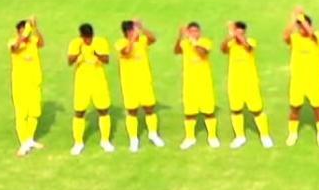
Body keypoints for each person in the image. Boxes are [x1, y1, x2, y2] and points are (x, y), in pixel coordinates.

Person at [222, 21, 273, 149]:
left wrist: (235, 34)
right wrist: (229, 36)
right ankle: (239, 137)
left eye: (240, 31)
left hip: (250, 82)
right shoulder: (231, 43)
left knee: (256, 110)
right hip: (234, 82)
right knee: (236, 110)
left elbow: (247, 47)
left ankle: (265, 136)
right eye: (236, 30)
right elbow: (223, 49)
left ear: (244, 32)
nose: (237, 33)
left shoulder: (251, 42)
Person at [283, 7, 319, 147]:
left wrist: (302, 19)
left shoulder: (317, 37)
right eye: (299, 27)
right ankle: (293, 134)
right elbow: (285, 36)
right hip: (298, 80)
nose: (301, 29)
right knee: (295, 109)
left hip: (313, 79)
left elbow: (311, 33)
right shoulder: (295, 38)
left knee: (318, 109)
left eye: (303, 26)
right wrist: (293, 18)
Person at [67, 23, 114, 155]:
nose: (88, 40)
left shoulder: (100, 42)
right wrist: (78, 53)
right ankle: (78, 143)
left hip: (98, 80)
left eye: (89, 37)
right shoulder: (75, 43)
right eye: (85, 38)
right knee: (79, 112)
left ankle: (105, 141)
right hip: (82, 82)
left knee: (103, 110)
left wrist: (96, 54)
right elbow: (69, 61)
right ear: (81, 36)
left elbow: (106, 60)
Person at [117, 19, 163, 152]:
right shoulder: (121, 43)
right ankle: (134, 139)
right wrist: (131, 39)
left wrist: (142, 28)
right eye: (132, 30)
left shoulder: (142, 40)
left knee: (149, 108)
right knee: (132, 111)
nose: (135, 32)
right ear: (127, 32)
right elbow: (126, 52)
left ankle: (153, 134)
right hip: (130, 84)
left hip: (144, 81)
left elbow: (153, 39)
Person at [174, 22, 220, 150]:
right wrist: (180, 36)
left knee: (209, 111)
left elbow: (202, 53)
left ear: (200, 32)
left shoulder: (205, 42)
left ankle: (212, 136)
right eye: (191, 31)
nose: (194, 33)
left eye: (196, 31)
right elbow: (176, 51)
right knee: (190, 112)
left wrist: (194, 42)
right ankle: (190, 138)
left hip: (204, 82)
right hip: (189, 83)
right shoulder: (185, 43)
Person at [8, 17, 46, 156]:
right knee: (21, 114)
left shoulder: (33, 41)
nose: (27, 34)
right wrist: (23, 36)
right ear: (18, 32)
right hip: (20, 84)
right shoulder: (13, 42)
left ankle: (29, 139)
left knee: (34, 112)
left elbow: (42, 43)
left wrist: (35, 28)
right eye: (24, 31)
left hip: (34, 82)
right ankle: (23, 142)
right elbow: (15, 48)